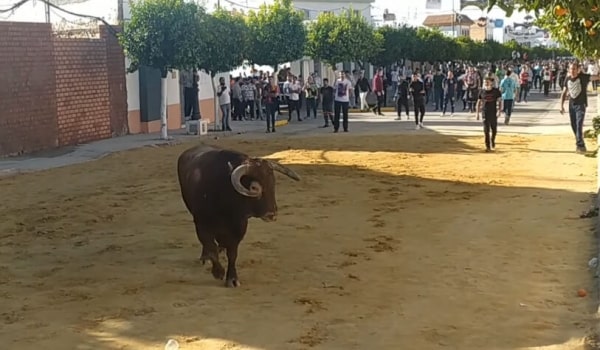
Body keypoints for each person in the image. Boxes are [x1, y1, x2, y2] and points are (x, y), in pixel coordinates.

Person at [560, 62, 591, 154]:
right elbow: (564, 93)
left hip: (581, 105)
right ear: (569, 70)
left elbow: (595, 77)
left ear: (578, 69)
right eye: (571, 69)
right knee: (574, 125)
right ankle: (579, 139)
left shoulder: (583, 77)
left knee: (579, 124)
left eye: (574, 69)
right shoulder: (567, 79)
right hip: (572, 105)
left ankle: (580, 146)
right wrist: (561, 106)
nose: (572, 71)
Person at [476, 77, 503, 152]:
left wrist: (499, 111)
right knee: (486, 130)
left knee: (494, 130)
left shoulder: (496, 91)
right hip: (485, 113)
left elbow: (500, 102)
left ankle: (492, 140)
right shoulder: (481, 91)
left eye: (487, 82)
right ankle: (487, 146)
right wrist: (477, 113)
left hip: (493, 113)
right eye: (485, 82)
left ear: (491, 83)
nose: (486, 83)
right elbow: (478, 103)